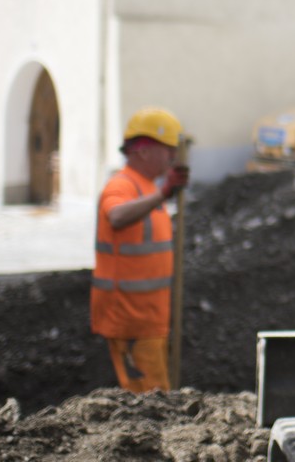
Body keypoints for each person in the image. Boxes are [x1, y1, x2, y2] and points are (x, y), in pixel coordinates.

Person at [92, 107, 190, 392]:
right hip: (131, 320)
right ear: (144, 150)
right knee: (149, 400)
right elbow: (117, 216)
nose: (173, 156)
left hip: (149, 319)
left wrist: (162, 192)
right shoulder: (122, 185)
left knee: (158, 395)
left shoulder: (146, 187)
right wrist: (163, 193)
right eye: (167, 149)